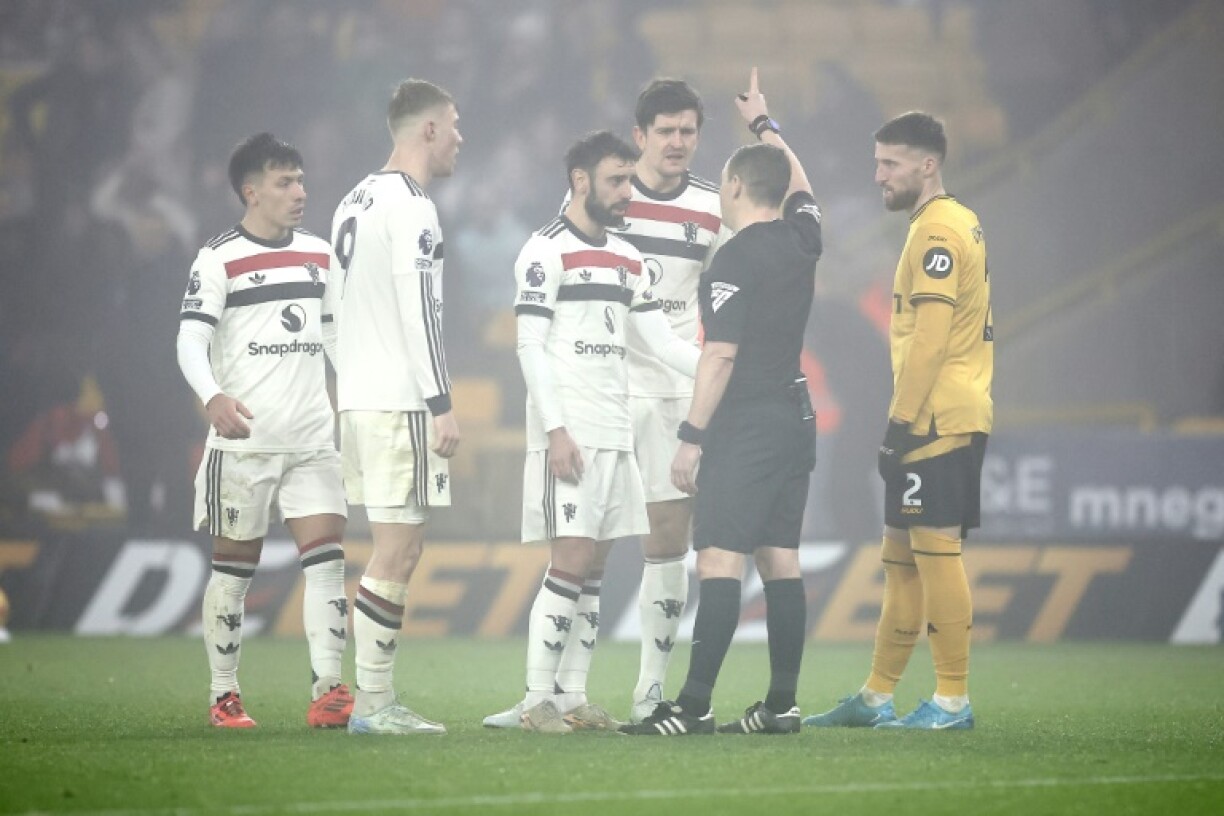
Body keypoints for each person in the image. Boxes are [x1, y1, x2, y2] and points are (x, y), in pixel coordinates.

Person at [623, 68, 822, 737]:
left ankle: (694, 705)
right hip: (797, 413)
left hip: (750, 420)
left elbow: (721, 357)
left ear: (734, 187)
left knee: (717, 560)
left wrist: (692, 434)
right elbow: (805, 191)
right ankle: (782, 705)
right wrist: (765, 125)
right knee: (780, 557)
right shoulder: (804, 240)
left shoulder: (731, 262)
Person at [484, 130, 699, 733]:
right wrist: (555, 430)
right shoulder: (543, 251)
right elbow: (529, 346)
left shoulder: (629, 259)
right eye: (616, 180)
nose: (627, 191)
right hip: (569, 433)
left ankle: (572, 697)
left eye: (629, 180)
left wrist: (721, 371)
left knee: (596, 571)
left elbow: (660, 344)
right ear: (580, 181)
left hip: (615, 430)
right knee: (570, 562)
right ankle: (534, 702)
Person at [804, 111, 992, 731]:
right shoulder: (946, 222)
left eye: (890, 163)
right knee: (901, 559)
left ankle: (952, 700)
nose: (878, 174)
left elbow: (931, 340)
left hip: (937, 418)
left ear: (927, 164)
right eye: (877, 161)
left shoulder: (936, 233)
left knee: (936, 556)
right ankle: (878, 693)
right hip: (929, 414)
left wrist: (903, 421)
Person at [176, 133, 350, 730]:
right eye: (284, 182)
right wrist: (212, 395)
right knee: (234, 570)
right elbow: (190, 339)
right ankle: (224, 694)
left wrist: (354, 393)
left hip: (312, 439)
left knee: (327, 562)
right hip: (245, 442)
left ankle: (329, 689)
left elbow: (334, 336)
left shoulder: (319, 254)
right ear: (251, 192)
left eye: (301, 180)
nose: (300, 192)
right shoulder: (217, 258)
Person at [327, 79, 461, 736]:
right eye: (454, 124)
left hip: (357, 398)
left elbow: (332, 314)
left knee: (389, 549)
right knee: (398, 550)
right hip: (399, 400)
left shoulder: (352, 200)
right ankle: (374, 705)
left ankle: (372, 700)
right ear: (428, 130)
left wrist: (347, 379)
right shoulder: (413, 207)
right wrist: (441, 403)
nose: (461, 137)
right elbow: (421, 313)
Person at [619, 79, 728, 723]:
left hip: (673, 389)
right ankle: (552, 692)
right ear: (640, 136)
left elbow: (731, 296)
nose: (678, 142)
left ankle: (649, 692)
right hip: (604, 382)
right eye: (666, 130)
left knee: (666, 537)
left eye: (688, 131)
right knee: (583, 541)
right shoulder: (608, 194)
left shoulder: (715, 208)